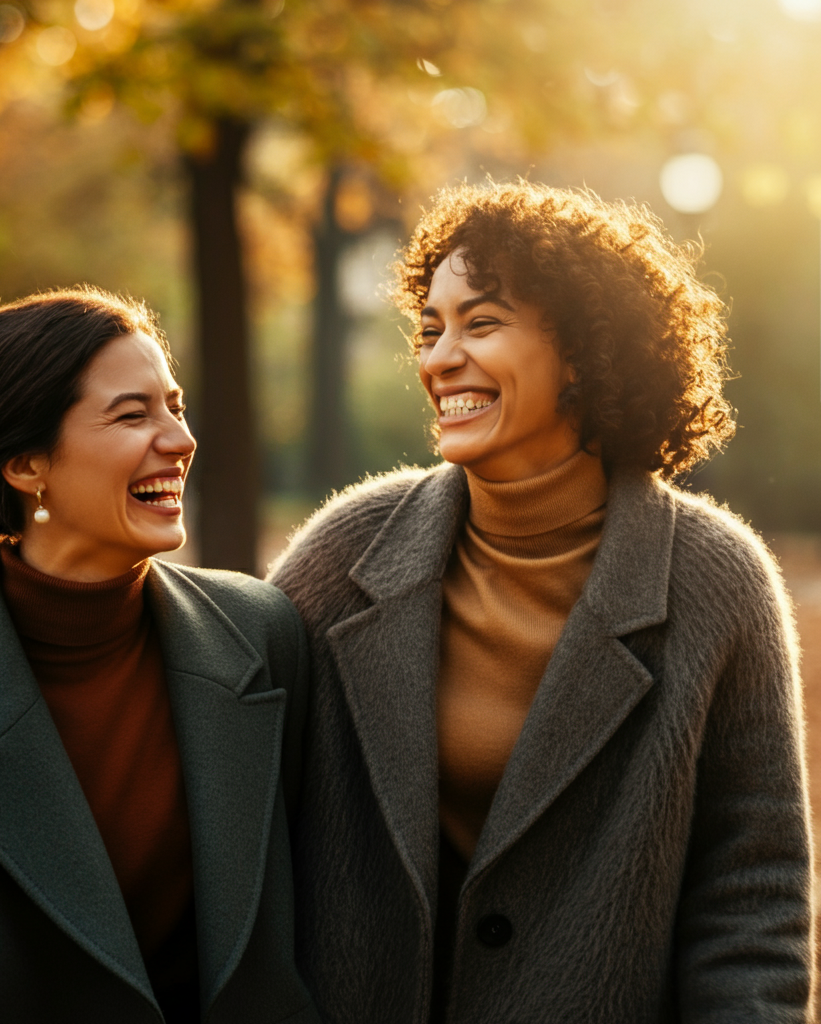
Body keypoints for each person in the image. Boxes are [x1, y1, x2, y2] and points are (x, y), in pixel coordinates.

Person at [269, 182, 815, 1023]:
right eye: (430, 328)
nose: (440, 356)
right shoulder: (346, 552)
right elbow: (230, 789)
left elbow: (753, 890)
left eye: (481, 324)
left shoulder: (716, 581)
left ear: (586, 354)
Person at [0, 286, 319, 1024]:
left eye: (174, 406)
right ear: (25, 465)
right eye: (132, 414)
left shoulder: (262, 633)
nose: (179, 439)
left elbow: (324, 918)